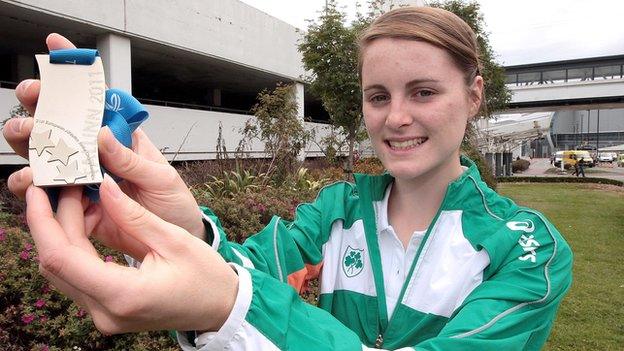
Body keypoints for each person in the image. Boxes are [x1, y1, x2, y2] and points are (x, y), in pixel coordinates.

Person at [4, 7, 573, 351]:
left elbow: (235, 298)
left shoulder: (528, 250)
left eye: (423, 92)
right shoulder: (333, 212)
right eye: (378, 97)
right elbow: (243, 274)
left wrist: (226, 308)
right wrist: (180, 227)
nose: (396, 118)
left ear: (474, 95)